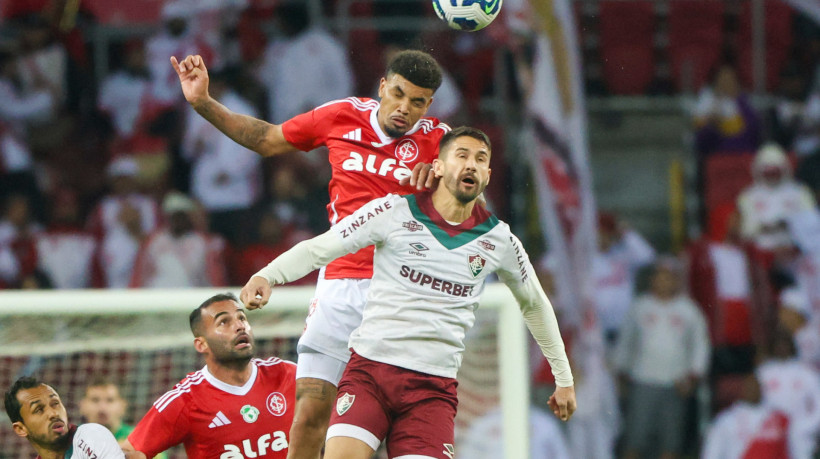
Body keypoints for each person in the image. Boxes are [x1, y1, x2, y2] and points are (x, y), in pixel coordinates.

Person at [172, 49, 449, 458]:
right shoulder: (342, 116)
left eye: (418, 102)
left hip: (402, 295)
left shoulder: (440, 141)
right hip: (339, 287)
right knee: (311, 414)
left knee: (396, 420)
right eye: (398, 94)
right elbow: (267, 140)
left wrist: (447, 178)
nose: (404, 109)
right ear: (382, 87)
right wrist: (203, 103)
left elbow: (471, 186)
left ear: (429, 106)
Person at [242, 127, 576, 458]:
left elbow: (534, 304)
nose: (471, 165)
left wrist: (564, 378)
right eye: (461, 156)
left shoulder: (500, 241)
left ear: (488, 175)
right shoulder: (395, 212)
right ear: (439, 166)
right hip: (371, 373)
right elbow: (322, 248)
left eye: (480, 159)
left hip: (432, 391)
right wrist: (268, 275)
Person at [122, 293, 297, 458]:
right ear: (201, 344)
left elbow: (325, 426)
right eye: (224, 322)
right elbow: (130, 451)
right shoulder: (185, 400)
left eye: (241, 318)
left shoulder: (287, 374)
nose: (239, 326)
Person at [615, 257, 711, 459]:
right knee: (635, 441)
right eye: (660, 276)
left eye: (669, 277)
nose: (664, 281)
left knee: (671, 443)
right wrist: (621, 373)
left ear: (677, 281)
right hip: (642, 381)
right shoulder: (639, 307)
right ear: (653, 279)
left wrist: (693, 377)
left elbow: (700, 346)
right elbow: (626, 342)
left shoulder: (689, 310)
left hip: (675, 384)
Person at [4, 375, 129, 459]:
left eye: (55, 404)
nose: (53, 413)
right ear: (21, 429)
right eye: (39, 410)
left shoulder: (90, 436)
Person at [79, 378, 168, 459]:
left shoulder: (143, 439)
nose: (102, 407)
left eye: (110, 400)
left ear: (123, 406)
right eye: (95, 400)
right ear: (82, 406)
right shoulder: (71, 440)